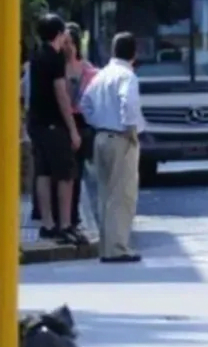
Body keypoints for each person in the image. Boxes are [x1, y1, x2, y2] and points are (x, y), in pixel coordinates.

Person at [80, 32, 144, 263]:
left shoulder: (101, 75)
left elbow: (84, 102)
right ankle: (118, 248)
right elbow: (128, 102)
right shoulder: (127, 76)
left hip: (101, 136)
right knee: (122, 195)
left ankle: (106, 247)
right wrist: (129, 129)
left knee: (105, 194)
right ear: (134, 54)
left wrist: (98, 121)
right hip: (121, 137)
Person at [28, 14, 87, 245]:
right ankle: (64, 224)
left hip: (37, 123)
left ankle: (47, 223)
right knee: (65, 175)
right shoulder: (55, 59)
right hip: (54, 123)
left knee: (43, 173)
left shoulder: (36, 55)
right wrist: (72, 129)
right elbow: (61, 94)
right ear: (60, 34)